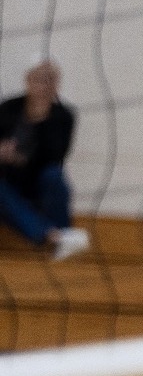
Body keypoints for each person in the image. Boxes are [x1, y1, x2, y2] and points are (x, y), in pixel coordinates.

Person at [0, 62, 87, 261]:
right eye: (40, 79)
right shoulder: (8, 109)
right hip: (8, 183)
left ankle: (61, 238)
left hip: (39, 181)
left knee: (55, 177)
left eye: (51, 80)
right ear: (28, 81)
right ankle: (57, 237)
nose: (45, 85)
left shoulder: (63, 116)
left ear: (57, 85)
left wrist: (20, 157)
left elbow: (56, 156)